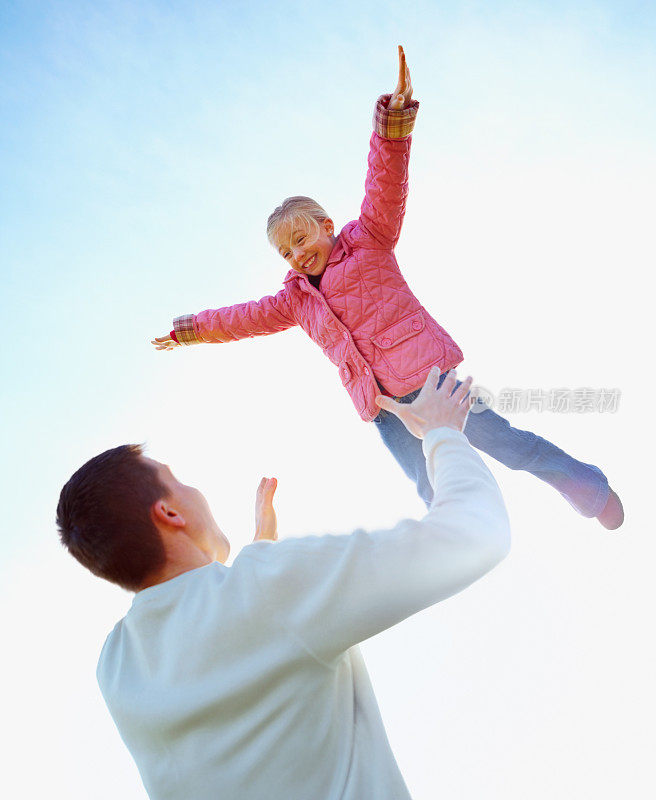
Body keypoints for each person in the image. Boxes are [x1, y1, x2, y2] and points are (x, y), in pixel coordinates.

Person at [151, 46, 623, 530]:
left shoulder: (367, 241)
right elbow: (241, 318)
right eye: (285, 252)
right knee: (430, 488)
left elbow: (386, 184)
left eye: (301, 238)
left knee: (508, 446)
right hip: (384, 409)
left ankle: (588, 488)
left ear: (326, 225)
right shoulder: (294, 301)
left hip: (429, 381)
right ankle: (462, 540)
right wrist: (190, 330)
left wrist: (392, 124)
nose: (297, 254)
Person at [57, 367, 510, 800]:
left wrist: (259, 553)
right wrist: (443, 434)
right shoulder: (268, 591)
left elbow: (229, 654)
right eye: (179, 483)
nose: (195, 491)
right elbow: (474, 534)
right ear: (170, 513)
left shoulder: (115, 669)